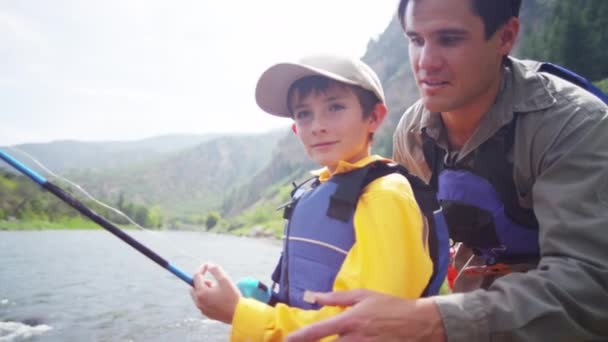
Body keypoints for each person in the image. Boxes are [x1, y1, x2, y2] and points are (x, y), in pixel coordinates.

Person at [287, 0, 608, 341]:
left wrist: (433, 320)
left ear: (505, 36)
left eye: (450, 39)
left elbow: (591, 285)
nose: (426, 63)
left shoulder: (574, 126)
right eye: (416, 39)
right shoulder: (412, 133)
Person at [190, 55, 438, 341]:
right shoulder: (319, 188)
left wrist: (238, 314)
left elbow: (364, 328)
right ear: (295, 129)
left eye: (335, 107)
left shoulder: (386, 196)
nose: (317, 125)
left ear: (374, 117)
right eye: (304, 113)